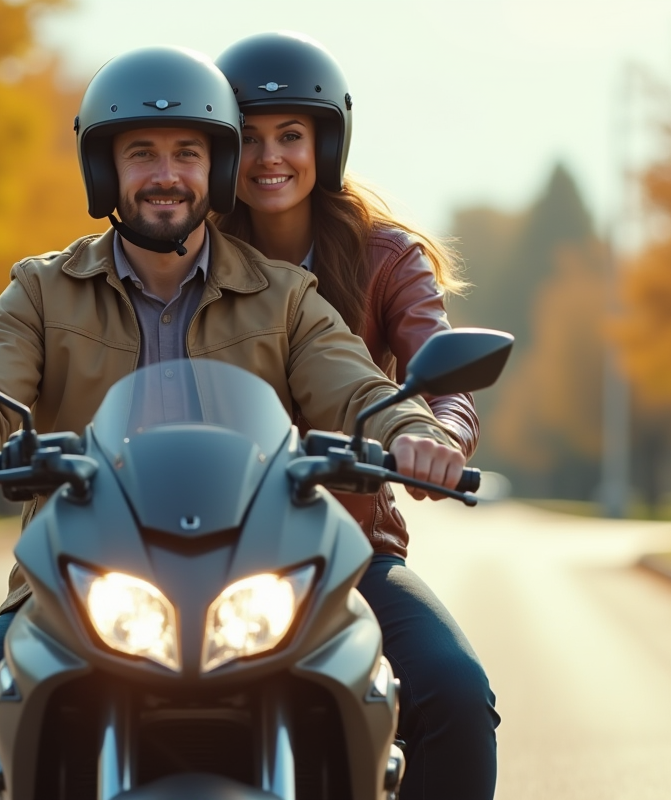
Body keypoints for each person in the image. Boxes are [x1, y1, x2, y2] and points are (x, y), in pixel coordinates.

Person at [0, 45, 470, 800]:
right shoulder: (41, 291)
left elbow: (358, 387)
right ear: (104, 170)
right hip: (85, 577)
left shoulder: (285, 296)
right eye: (141, 153)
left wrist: (416, 433)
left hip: (270, 569)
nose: (165, 174)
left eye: (186, 153)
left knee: (453, 691)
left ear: (217, 170)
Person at [211, 31, 499, 800]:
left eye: (292, 135)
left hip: (348, 545)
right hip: (205, 545)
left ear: (326, 143)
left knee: (456, 694)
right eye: (247, 138)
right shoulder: (190, 254)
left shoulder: (385, 257)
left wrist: (438, 439)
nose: (271, 157)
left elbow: (443, 375)